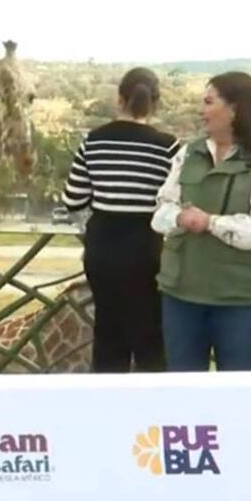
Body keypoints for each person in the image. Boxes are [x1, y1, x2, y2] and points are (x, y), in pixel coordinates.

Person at [151, 71, 251, 371]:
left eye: (209, 102)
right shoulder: (186, 154)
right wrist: (180, 216)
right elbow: (161, 211)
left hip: (241, 301)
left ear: (235, 109)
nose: (201, 110)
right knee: (184, 394)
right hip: (181, 296)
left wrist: (211, 223)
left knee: (237, 398)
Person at [62, 67, 179, 372]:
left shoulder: (94, 140)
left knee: (108, 337)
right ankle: (154, 415)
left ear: (119, 99)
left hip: (103, 250)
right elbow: (178, 201)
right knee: (150, 340)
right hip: (147, 249)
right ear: (156, 103)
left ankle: (108, 411)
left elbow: (73, 199)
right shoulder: (168, 146)